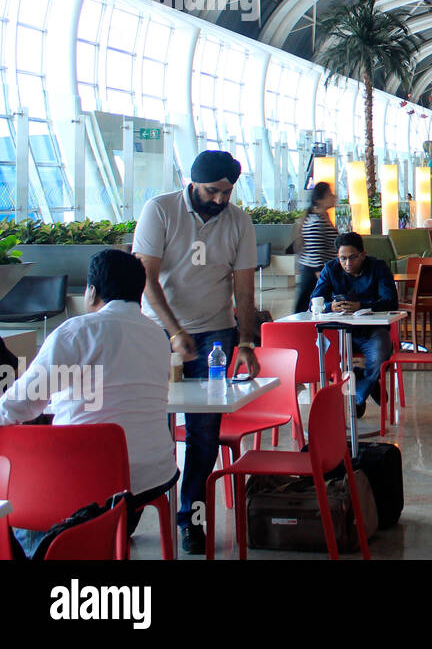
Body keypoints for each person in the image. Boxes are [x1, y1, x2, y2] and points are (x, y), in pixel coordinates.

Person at [0, 249, 176, 552]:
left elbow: (22, 403)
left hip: (91, 477)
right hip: (152, 475)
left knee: (21, 494)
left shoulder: (78, 331)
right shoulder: (157, 335)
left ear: (92, 291)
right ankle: (98, 536)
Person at [133, 149, 259, 555]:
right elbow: (147, 280)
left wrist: (245, 341)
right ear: (193, 182)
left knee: (203, 434)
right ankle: (132, 506)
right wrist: (174, 332)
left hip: (216, 338)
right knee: (148, 425)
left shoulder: (239, 222)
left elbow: (243, 288)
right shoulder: (160, 211)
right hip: (158, 334)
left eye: (228, 191)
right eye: (213, 190)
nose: (221, 199)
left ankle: (192, 519)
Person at [310, 232, 398, 419]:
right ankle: (371, 383)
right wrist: (329, 306)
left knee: (381, 354)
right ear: (337, 257)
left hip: (372, 331)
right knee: (319, 354)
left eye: (352, 258)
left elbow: (391, 301)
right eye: (343, 258)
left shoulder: (378, 267)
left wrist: (362, 306)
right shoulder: (330, 269)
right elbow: (314, 302)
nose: (347, 263)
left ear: (363, 254)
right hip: (339, 333)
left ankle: (356, 397)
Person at [293, 181, 337, 313]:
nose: (333, 197)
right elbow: (316, 253)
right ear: (320, 199)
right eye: (329, 194)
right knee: (309, 307)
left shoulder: (323, 217)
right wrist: (323, 278)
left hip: (321, 271)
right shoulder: (316, 222)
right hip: (315, 273)